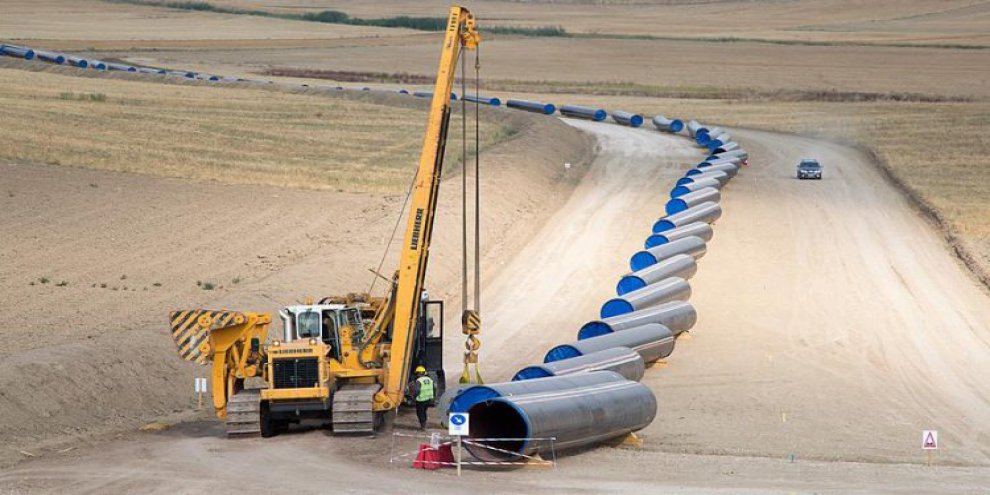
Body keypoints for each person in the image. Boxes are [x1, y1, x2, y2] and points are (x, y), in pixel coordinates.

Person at [409, 366, 434, 430]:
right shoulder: (430, 379)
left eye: (417, 373)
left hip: (421, 400)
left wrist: (413, 397)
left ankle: (423, 426)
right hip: (428, 399)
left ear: (419, 373)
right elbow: (433, 388)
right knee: (424, 412)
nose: (416, 375)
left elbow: (417, 390)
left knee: (420, 412)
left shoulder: (419, 381)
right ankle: (424, 423)